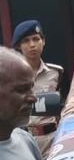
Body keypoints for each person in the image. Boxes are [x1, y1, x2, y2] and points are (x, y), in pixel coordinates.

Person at [11, 19, 63, 151]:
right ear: (18, 46)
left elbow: (66, 106)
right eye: (26, 41)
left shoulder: (57, 73)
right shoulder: (11, 77)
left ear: (43, 41)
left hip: (52, 139)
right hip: (22, 142)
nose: (32, 45)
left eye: (36, 39)